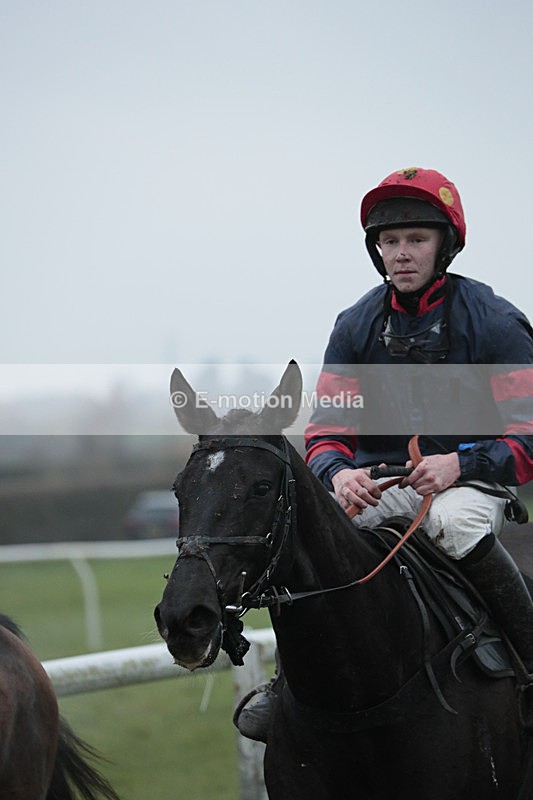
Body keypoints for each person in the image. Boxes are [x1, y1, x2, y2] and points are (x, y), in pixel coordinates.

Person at [234, 166, 533, 743]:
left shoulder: (497, 323)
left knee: (449, 526)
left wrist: (460, 466)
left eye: (416, 239)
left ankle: (527, 660)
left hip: (469, 485)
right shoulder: (355, 325)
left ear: (445, 244)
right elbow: (324, 432)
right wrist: (337, 473)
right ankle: (288, 683)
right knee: (312, 538)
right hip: (378, 483)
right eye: (389, 241)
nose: (401, 253)